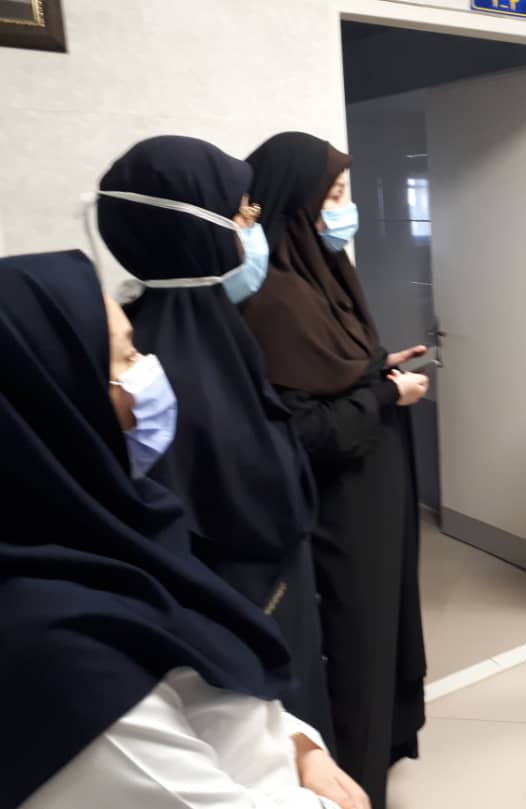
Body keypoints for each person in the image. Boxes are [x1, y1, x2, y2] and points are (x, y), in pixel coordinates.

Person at [0, 250, 368, 809]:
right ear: (55, 402)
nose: (151, 371)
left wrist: (299, 743)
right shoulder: (58, 656)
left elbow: (208, 680)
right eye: (126, 356)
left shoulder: (115, 533)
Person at [92, 136, 334, 746]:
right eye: (237, 209)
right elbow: (248, 501)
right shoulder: (165, 356)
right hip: (241, 608)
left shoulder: (210, 326)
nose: (249, 221)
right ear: (190, 225)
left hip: (266, 591)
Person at [240, 131, 427, 809]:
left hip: (376, 489)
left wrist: (376, 367)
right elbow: (305, 428)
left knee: (384, 629)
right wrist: (384, 396)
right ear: (296, 201)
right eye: (335, 194)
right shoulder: (272, 298)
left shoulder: (325, 273)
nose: (346, 208)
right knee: (356, 645)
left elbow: (334, 369)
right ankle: (354, 783)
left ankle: (380, 753)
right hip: (341, 506)